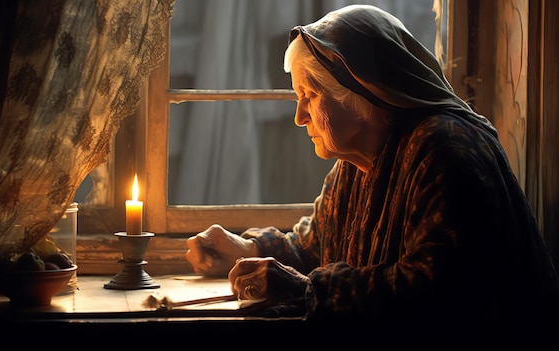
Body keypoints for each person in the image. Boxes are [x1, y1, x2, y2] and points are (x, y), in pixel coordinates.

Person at [185, 4, 559, 339]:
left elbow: (436, 294)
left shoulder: (444, 150)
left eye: (310, 96)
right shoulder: (359, 161)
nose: (300, 117)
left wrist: (307, 291)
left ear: (362, 92)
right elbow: (314, 247)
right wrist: (246, 248)